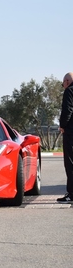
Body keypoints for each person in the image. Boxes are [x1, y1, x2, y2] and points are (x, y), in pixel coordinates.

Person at [57, 72, 73, 203]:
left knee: (70, 163)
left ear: (67, 82)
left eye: (63, 84)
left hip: (71, 133)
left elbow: (67, 110)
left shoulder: (69, 92)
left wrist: (62, 126)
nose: (63, 86)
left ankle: (71, 194)